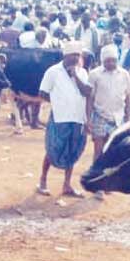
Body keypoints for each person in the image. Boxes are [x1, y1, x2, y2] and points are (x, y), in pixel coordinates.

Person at [37, 40, 92, 198]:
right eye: (72, 55)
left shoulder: (82, 72)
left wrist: (75, 75)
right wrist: (58, 102)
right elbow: (43, 93)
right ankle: (43, 181)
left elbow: (87, 92)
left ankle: (67, 185)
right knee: (53, 148)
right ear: (65, 56)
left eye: (78, 55)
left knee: (72, 150)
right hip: (60, 117)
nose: (76, 58)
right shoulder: (53, 71)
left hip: (77, 117)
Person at [88, 44, 130, 167]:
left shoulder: (124, 74)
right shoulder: (95, 74)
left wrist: (128, 118)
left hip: (118, 117)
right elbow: (90, 98)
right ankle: (95, 177)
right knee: (98, 151)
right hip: (99, 116)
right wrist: (88, 118)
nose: (111, 63)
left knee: (113, 150)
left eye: (114, 60)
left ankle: (106, 178)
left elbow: (128, 97)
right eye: (108, 61)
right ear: (103, 60)